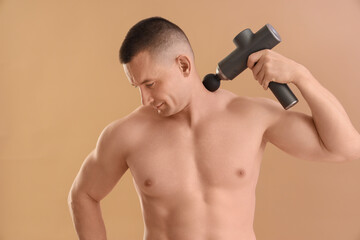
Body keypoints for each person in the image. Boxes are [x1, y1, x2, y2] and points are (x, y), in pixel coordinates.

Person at [68, 16, 360, 240]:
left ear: (184, 66)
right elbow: (83, 195)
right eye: (137, 86)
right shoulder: (125, 134)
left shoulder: (251, 116)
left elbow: (346, 147)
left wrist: (302, 76)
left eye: (150, 84)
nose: (144, 99)